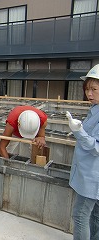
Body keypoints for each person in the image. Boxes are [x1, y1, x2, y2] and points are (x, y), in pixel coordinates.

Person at [66, 64, 99, 240]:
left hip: (92, 177)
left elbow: (96, 147)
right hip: (90, 173)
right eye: (87, 89)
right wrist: (79, 129)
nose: (89, 94)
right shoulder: (95, 109)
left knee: (80, 216)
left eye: (94, 89)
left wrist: (78, 131)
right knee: (95, 216)